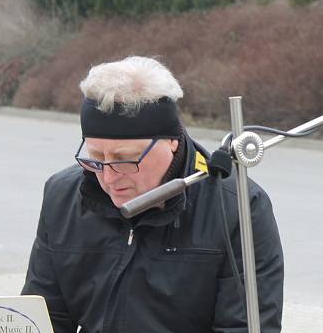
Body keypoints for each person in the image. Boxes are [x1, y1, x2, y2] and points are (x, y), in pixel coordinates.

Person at [22, 56, 284, 333]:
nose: (109, 178)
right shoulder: (62, 196)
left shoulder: (238, 207)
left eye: (126, 160)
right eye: (96, 158)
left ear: (171, 141)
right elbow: (44, 318)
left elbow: (245, 327)